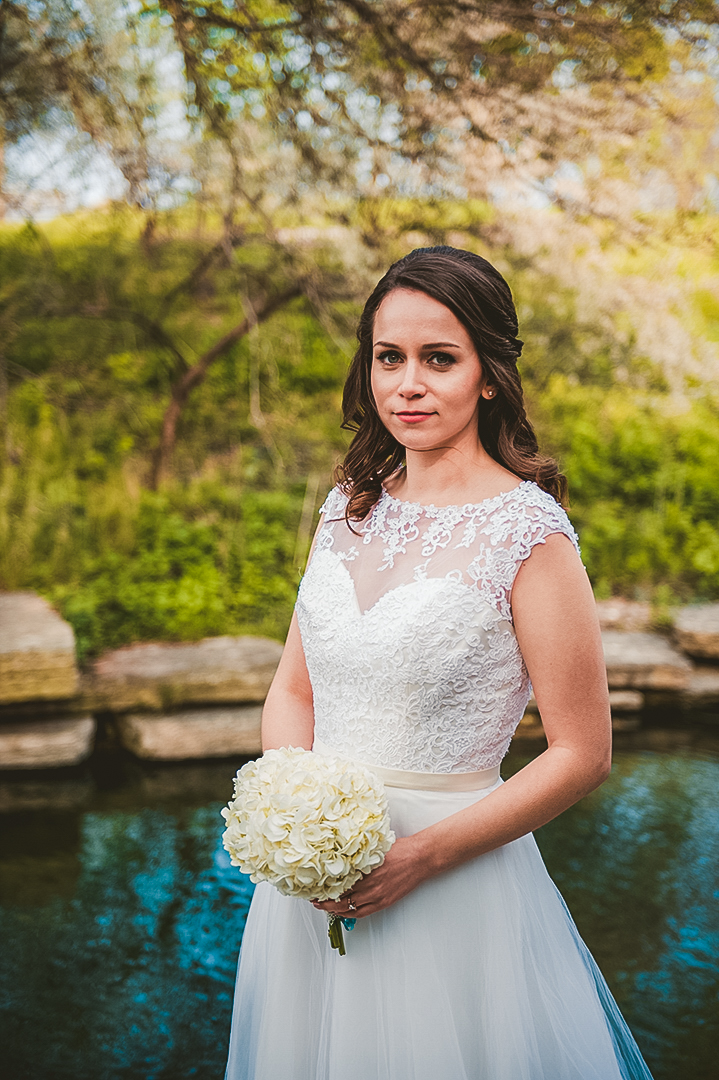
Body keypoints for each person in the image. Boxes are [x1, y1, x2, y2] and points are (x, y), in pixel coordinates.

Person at [224, 246, 654, 1080]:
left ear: (487, 376)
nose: (407, 384)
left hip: (449, 883)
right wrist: (295, 809)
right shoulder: (345, 508)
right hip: (311, 885)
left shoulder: (529, 536)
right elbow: (293, 689)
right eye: (388, 357)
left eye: (439, 359)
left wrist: (418, 858)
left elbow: (580, 753)